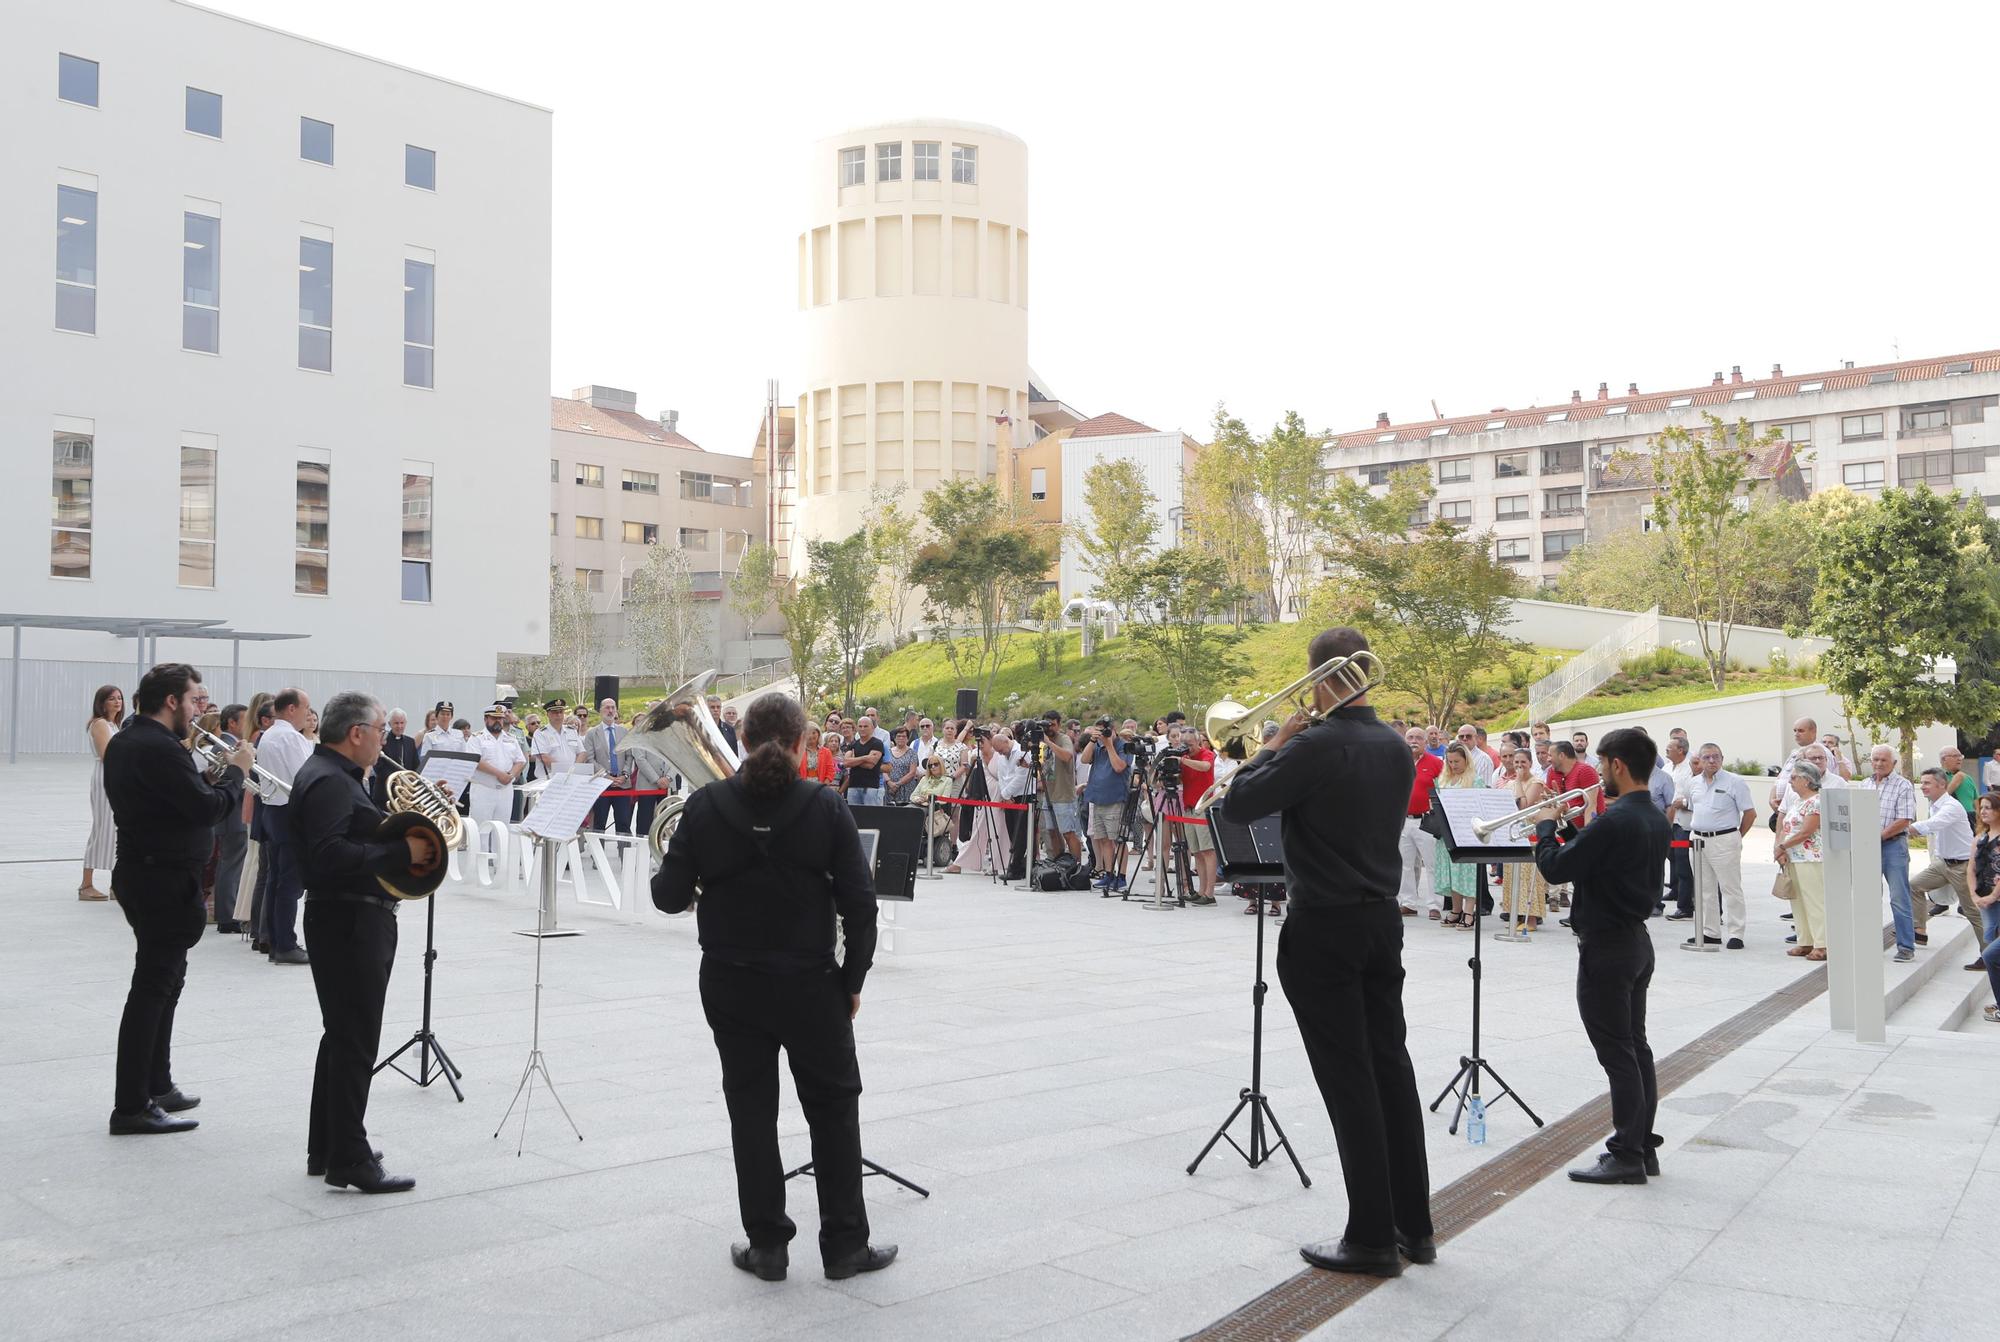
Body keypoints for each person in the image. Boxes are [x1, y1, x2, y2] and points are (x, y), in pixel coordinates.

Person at [651, 693, 895, 1283]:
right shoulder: (827, 807)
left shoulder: (704, 807)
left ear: (740, 742)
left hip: (733, 985)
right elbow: (861, 908)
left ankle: (767, 1247)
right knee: (833, 1112)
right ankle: (844, 1248)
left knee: (751, 1112)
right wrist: (852, 981)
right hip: (812, 986)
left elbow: (667, 898)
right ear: (802, 742)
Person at [1220, 627, 1432, 1278]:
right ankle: (1413, 1228)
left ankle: (1370, 1236)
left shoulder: (1316, 743)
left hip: (1324, 926)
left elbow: (1240, 802)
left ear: (1318, 679)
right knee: (1391, 1068)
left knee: (1349, 1080)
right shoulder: (1396, 746)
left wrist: (1275, 742)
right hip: (1379, 921)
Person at [292, 691, 439, 1193]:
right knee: (355, 1040)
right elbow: (331, 855)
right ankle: (349, 1158)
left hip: (343, 919)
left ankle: (327, 1146)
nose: (383, 740)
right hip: (351, 921)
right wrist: (403, 848)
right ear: (356, 733)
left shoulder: (332, 775)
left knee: (340, 1036)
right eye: (379, 730)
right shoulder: (331, 781)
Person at [101, 662, 250, 1135]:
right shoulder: (158, 747)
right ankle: (131, 1106)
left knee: (165, 983)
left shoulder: (131, 740)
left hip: (148, 873)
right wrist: (235, 774)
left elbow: (176, 801)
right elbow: (206, 809)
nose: (196, 709)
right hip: (161, 878)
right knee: (152, 989)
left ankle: (157, 1084)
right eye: (192, 701)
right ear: (172, 702)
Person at [1532, 727, 1669, 1186]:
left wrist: (1546, 825)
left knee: (1617, 1053)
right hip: (1634, 941)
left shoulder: (1616, 819)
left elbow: (1555, 868)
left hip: (1607, 947)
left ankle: (1626, 1151)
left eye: (1605, 765)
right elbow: (1602, 857)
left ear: (1618, 766)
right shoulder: (1651, 815)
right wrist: (1573, 825)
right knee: (1636, 1046)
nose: (1602, 774)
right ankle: (1642, 1144)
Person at [1671, 744, 1755, 948]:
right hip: (1698, 840)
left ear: (1722, 759)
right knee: (1703, 888)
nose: (1711, 761)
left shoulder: (1735, 782)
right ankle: (1710, 931)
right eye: (1706, 757)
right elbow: (1693, 807)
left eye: (1715, 757)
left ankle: (1736, 933)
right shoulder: (1693, 783)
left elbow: (1750, 814)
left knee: (1730, 887)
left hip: (1724, 840)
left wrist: (1736, 837)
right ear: (1699, 760)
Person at [256, 689, 315, 964]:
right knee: (289, 884)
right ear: (291, 709)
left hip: (272, 810)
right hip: (289, 812)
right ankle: (285, 944)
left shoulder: (269, 733)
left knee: (276, 880)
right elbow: (304, 776)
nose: (308, 713)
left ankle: (274, 940)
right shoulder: (290, 737)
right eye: (305, 707)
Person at [1909, 766, 1983, 966]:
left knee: (1972, 912)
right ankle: (1919, 931)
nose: (1922, 787)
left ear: (1942, 785)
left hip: (1962, 867)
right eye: (1922, 783)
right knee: (1914, 885)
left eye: (1927, 783)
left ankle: (1989, 956)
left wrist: (1907, 829)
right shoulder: (1935, 804)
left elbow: (1933, 824)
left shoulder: (1951, 806)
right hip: (1943, 864)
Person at [1862, 745, 1920, 961]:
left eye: (1883, 760)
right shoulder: (1865, 784)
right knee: (1867, 896)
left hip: (1893, 846)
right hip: (1866, 847)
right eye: (1875, 759)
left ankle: (1906, 946)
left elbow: (1905, 819)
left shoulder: (1903, 786)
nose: (1878, 763)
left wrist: (1878, 836)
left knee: (1899, 897)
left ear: (1894, 763)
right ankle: (1867, 941)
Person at [1775, 762, 1827, 962]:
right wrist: (1782, 847)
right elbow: (1787, 827)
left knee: (1814, 900)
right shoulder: (1797, 801)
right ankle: (1805, 940)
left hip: (1810, 856)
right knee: (1798, 901)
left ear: (1807, 780)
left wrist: (1783, 846)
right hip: (1794, 857)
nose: (1791, 781)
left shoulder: (1816, 801)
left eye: (1795, 777)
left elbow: (1807, 831)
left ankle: (1822, 943)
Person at [1433, 743, 1486, 927]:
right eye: (1450, 761)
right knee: (1451, 871)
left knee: (1467, 871)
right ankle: (1456, 910)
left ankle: (1469, 912)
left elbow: (1479, 807)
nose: (1453, 765)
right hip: (1447, 831)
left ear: (1466, 760)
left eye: (1457, 761)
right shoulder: (1444, 779)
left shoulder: (1474, 780)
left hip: (1466, 832)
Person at [1499, 748, 1551, 931]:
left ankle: (1532, 919)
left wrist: (1519, 781)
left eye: (1523, 762)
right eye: (1516, 762)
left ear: (1530, 763)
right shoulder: (1508, 784)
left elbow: (1524, 806)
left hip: (1529, 833)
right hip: (1513, 834)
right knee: (1513, 876)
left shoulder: (1536, 782)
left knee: (1529, 877)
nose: (1519, 766)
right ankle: (1517, 915)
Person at [1079, 718, 1134, 892]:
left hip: (1115, 799)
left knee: (1117, 839)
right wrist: (1093, 740)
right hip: (1097, 797)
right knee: (1102, 839)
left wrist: (1109, 744)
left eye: (1104, 731)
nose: (1102, 734)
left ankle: (1122, 876)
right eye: (1099, 731)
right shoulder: (1096, 745)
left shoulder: (1123, 745)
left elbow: (1119, 767)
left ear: (1113, 730)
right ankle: (1109, 873)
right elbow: (1084, 759)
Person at [210, 704, 251, 934]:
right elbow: (223, 778)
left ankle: (228, 913)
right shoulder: (223, 745)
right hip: (232, 812)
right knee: (231, 863)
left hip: (231, 812)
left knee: (231, 863)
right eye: (244, 720)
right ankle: (227, 916)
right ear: (232, 723)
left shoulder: (226, 744)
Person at [82, 684, 124, 901]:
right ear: (102, 702)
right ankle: (86, 884)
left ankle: (115, 884)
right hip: (105, 777)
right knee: (103, 829)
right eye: (111, 698)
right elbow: (107, 754)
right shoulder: (99, 724)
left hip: (115, 777)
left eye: (119, 698)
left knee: (116, 831)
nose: (117, 702)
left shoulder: (113, 724)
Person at [1399, 727, 1443, 920]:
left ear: (1426, 742)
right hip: (1403, 820)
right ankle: (1408, 903)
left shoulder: (1436, 763)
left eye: (1418, 738)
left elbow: (1442, 789)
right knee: (1405, 864)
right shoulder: (1398, 761)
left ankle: (1434, 905)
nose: (1414, 741)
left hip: (1427, 820)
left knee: (1432, 864)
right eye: (1410, 737)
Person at [1178, 728, 1220, 906]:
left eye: (1190, 744)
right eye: (1184, 744)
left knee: (1207, 851)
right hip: (1188, 807)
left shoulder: (1206, 754)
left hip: (1202, 807)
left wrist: (1182, 760)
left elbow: (1206, 767)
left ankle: (1209, 893)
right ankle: (1201, 890)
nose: (1187, 748)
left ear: (1199, 742)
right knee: (1196, 852)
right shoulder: (1185, 758)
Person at [581, 698, 633, 834]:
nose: (610, 711)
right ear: (600, 711)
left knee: (623, 823)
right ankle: (597, 853)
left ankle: (624, 853)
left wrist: (624, 775)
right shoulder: (592, 734)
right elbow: (590, 759)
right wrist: (606, 775)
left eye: (613, 708)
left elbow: (629, 756)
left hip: (622, 784)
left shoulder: (624, 732)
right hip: (601, 785)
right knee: (599, 823)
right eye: (607, 708)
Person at [1038, 711, 1083, 861]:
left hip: (1063, 795)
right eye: (1046, 724)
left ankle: (1075, 866)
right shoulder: (1042, 743)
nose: (1049, 727)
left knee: (1068, 833)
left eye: (1052, 724)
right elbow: (1043, 766)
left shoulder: (1063, 739)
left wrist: (1048, 742)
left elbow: (1067, 756)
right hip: (1049, 794)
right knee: (1052, 832)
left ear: (1059, 724)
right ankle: (1059, 864)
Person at [1971, 796, 2000, 1023]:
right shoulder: (1979, 838)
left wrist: (1993, 895)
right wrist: (1973, 895)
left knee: (1991, 954)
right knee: (1992, 950)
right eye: (1981, 808)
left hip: (1994, 900)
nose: (1983, 812)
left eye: (1988, 808)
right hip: (1987, 904)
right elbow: (1971, 869)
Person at [1661, 736, 1695, 921]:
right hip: (1668, 822)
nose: (1666, 750)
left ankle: (1685, 907)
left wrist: (1683, 802)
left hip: (1684, 823)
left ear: (1681, 750)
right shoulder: (1666, 768)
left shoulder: (1690, 769)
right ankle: (1677, 892)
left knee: (1683, 864)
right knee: (1671, 858)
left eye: (1670, 747)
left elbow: (1695, 795)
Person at [370, 707, 421, 810]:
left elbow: (416, 766)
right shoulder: (383, 741)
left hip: (406, 794)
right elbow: (378, 768)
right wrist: (399, 779)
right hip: (385, 793)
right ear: (390, 724)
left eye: (402, 723)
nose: (399, 726)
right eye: (396, 723)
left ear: (406, 723)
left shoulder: (410, 742)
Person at [840, 716, 885, 806]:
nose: (862, 729)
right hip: (853, 786)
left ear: (872, 728)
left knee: (871, 817)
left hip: (871, 788)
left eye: (865, 726)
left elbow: (870, 764)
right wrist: (865, 758)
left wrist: (854, 760)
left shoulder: (877, 743)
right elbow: (846, 763)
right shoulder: (853, 744)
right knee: (854, 817)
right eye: (860, 726)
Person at [883, 728, 920, 806]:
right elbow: (883, 769)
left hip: (906, 788)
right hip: (889, 788)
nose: (901, 738)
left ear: (907, 738)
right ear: (894, 738)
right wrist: (889, 782)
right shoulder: (888, 752)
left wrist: (897, 784)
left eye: (904, 736)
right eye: (899, 736)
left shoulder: (912, 753)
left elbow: (912, 772)